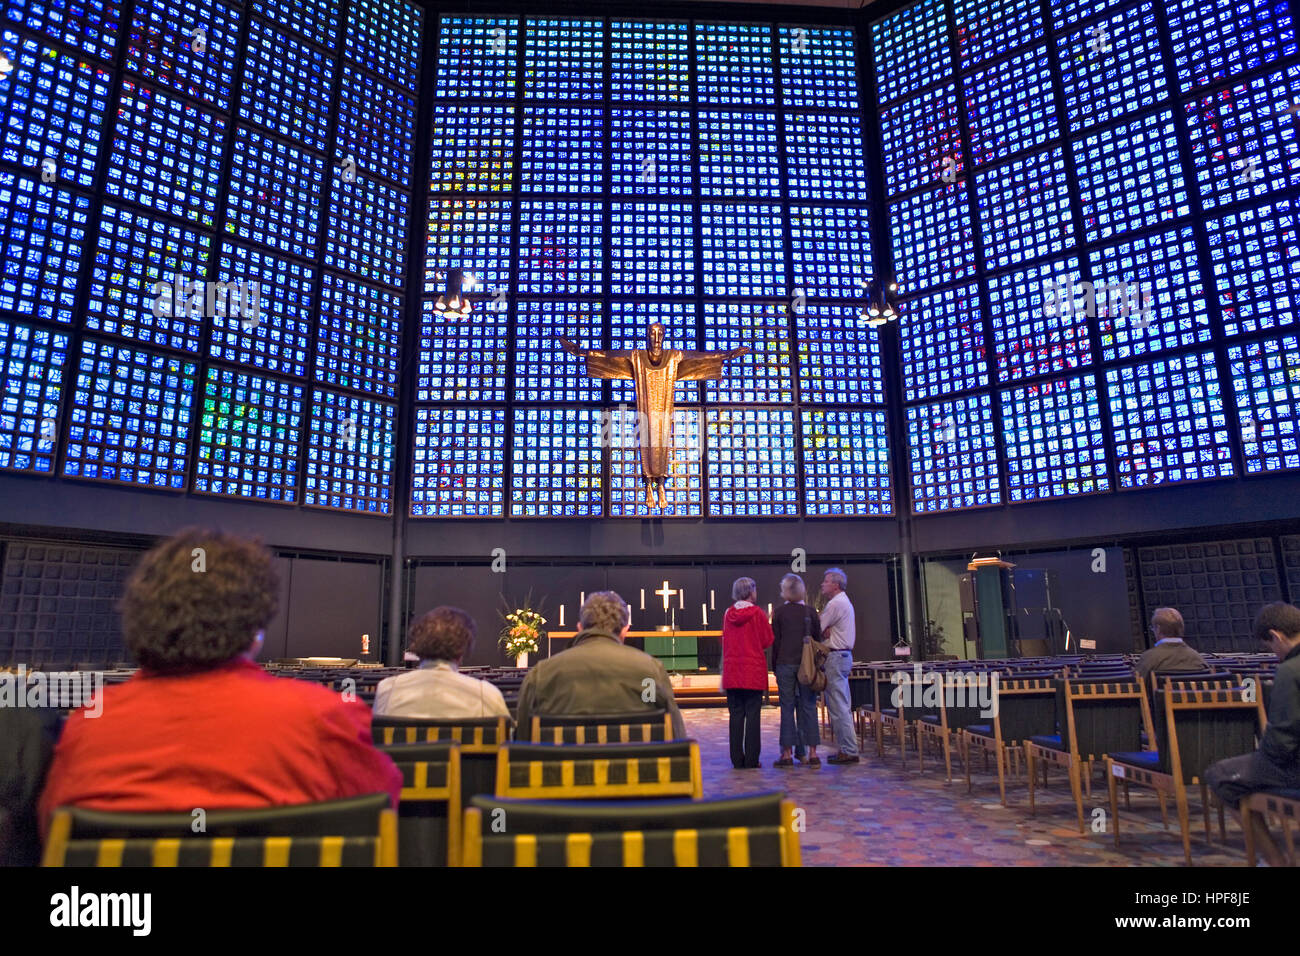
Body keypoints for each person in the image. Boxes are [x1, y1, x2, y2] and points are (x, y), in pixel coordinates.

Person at [38, 529, 401, 831]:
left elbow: (51, 833)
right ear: (257, 629)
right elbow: (380, 816)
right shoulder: (324, 716)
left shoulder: (87, 726)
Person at [514, 591, 685, 740]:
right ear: (625, 629)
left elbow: (521, 740)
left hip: (560, 775)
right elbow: (676, 735)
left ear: (580, 627)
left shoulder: (542, 674)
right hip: (635, 774)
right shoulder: (650, 671)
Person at [1205, 602, 1300, 867]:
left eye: (1270, 646)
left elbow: (1282, 740)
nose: (1274, 653)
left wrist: (1262, 758)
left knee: (1221, 775)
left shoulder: (1290, 671)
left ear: (1276, 636)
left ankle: (1273, 861)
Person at [374, 606, 510, 720]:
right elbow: (506, 742)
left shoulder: (387, 690)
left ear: (416, 641)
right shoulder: (486, 694)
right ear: (464, 648)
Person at [722, 577, 774, 770]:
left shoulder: (728, 613)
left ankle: (737, 759)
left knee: (736, 715)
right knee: (753, 716)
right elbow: (767, 640)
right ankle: (752, 760)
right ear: (751, 592)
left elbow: (725, 639)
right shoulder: (758, 613)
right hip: (752, 671)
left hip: (733, 671)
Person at [770, 574, 821, 768]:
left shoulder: (780, 613)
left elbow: (776, 643)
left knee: (787, 707)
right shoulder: (811, 612)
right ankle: (813, 753)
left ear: (785, 591)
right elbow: (818, 641)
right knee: (808, 706)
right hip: (806, 665)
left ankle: (787, 754)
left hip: (785, 663)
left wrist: (774, 667)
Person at [818, 567, 859, 764]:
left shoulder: (835, 604)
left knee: (838, 706)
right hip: (842, 656)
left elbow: (818, 627)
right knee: (842, 704)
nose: (822, 584)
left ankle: (849, 750)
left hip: (835, 657)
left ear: (835, 584)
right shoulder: (844, 602)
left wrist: (825, 628)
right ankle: (847, 748)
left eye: (826, 581)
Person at [1135, 607, 1207, 681]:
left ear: (1158, 629)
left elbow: (1137, 687)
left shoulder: (1148, 658)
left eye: (1153, 628)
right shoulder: (1198, 659)